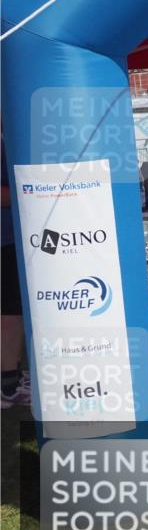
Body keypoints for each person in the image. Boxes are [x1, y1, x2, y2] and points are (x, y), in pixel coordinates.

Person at [1, 139, 30, 409]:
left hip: (13, 238)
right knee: (10, 315)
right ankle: (7, 387)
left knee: (16, 313)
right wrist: (26, 190)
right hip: (5, 239)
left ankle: (16, 376)